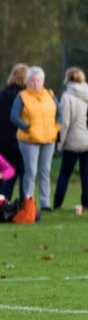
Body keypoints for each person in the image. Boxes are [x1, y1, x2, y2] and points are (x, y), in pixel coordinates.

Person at [11, 66, 61, 211]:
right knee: (31, 170)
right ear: (27, 82)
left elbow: (60, 114)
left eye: (38, 80)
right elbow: (13, 117)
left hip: (48, 139)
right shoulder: (22, 96)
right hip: (28, 139)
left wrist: (56, 128)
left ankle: (45, 203)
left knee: (45, 170)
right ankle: (28, 202)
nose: (35, 83)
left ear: (43, 81)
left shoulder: (50, 95)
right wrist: (26, 127)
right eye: (32, 81)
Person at [0, 63, 28, 201]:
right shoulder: (29, 98)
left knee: (6, 176)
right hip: (25, 143)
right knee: (25, 178)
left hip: (4, 144)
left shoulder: (0, 96)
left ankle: (2, 205)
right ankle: (25, 208)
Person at [55, 67, 88, 213]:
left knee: (64, 174)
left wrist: (59, 144)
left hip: (73, 142)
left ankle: (57, 204)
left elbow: (64, 123)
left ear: (68, 79)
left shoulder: (67, 97)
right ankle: (86, 204)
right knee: (86, 175)